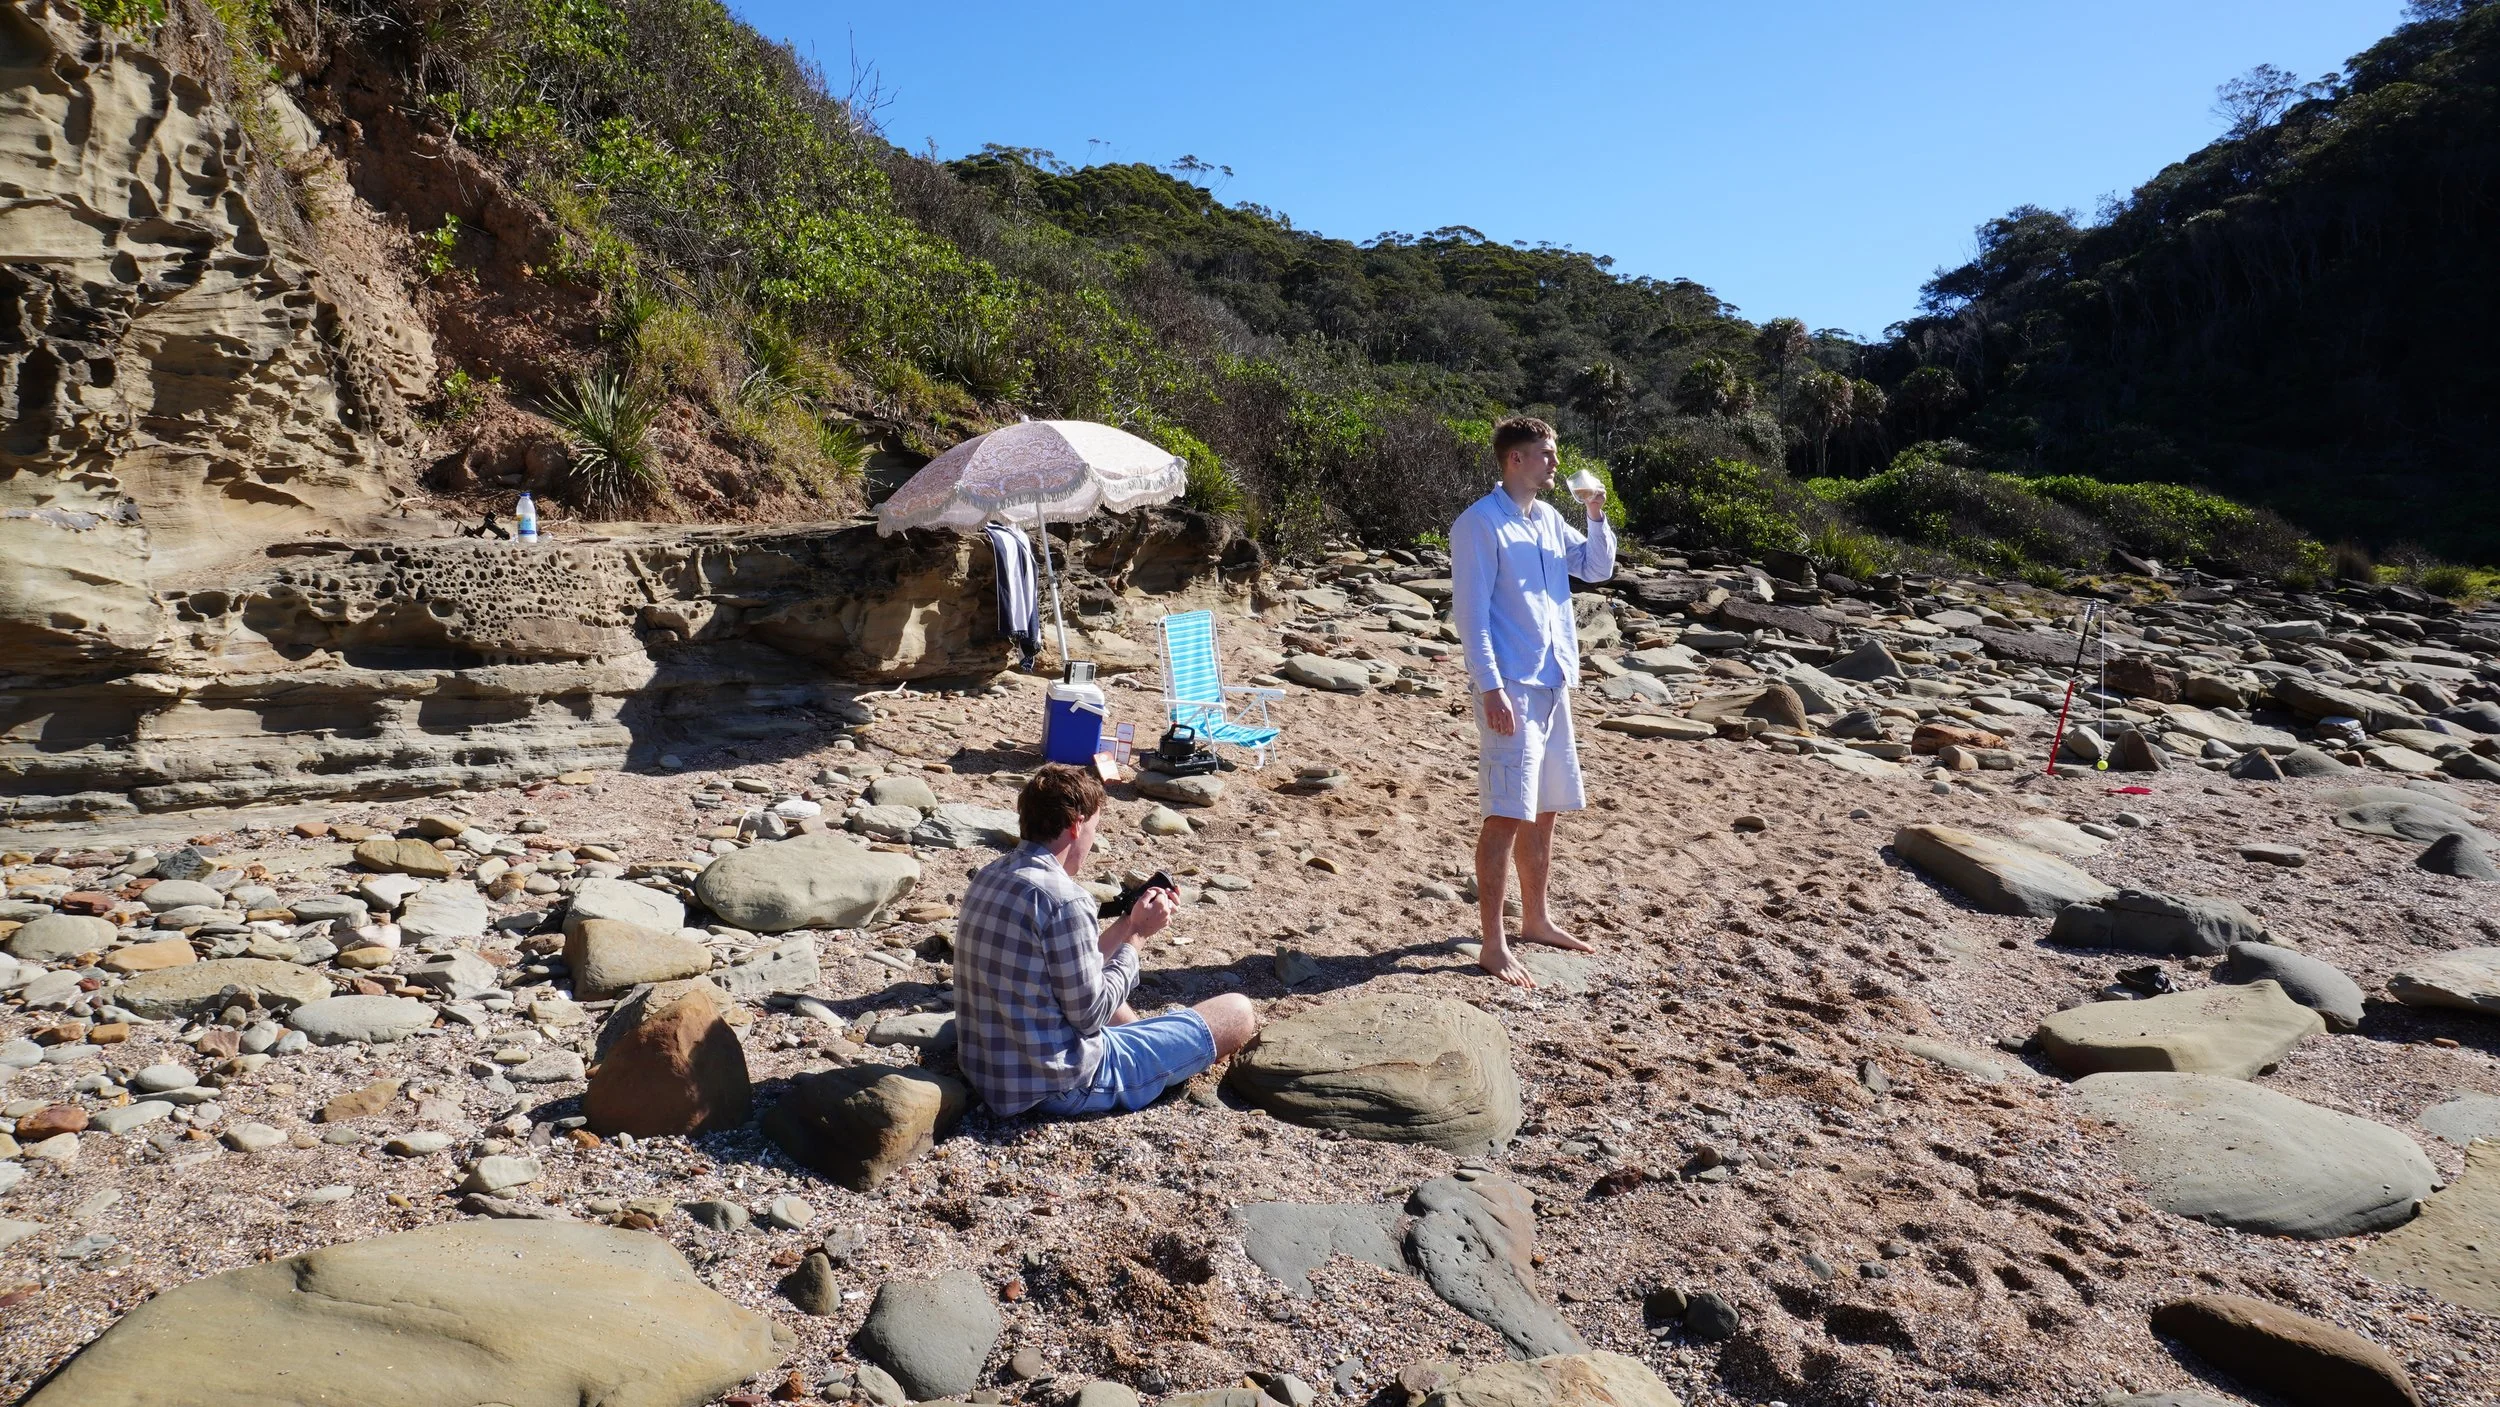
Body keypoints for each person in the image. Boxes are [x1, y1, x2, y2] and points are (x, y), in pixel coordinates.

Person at [954, 763, 1261, 1117]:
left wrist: (1128, 924)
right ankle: (1160, 1062)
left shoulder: (990, 875)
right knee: (1237, 1011)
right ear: (1076, 825)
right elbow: (1091, 1015)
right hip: (1060, 1085)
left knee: (1111, 999)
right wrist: (1140, 938)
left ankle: (1155, 1051)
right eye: (1094, 829)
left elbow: (1069, 972)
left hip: (990, 1072)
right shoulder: (1064, 899)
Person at [1448, 415, 1617, 988]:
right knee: (1504, 813)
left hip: (1553, 679)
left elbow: (1596, 569)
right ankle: (1491, 943)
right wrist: (1489, 686)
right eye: (1544, 454)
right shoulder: (1479, 523)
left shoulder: (1547, 519)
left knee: (1544, 809)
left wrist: (1595, 515)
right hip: (1511, 684)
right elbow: (1470, 614)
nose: (1554, 462)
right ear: (1514, 460)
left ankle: (1536, 919)